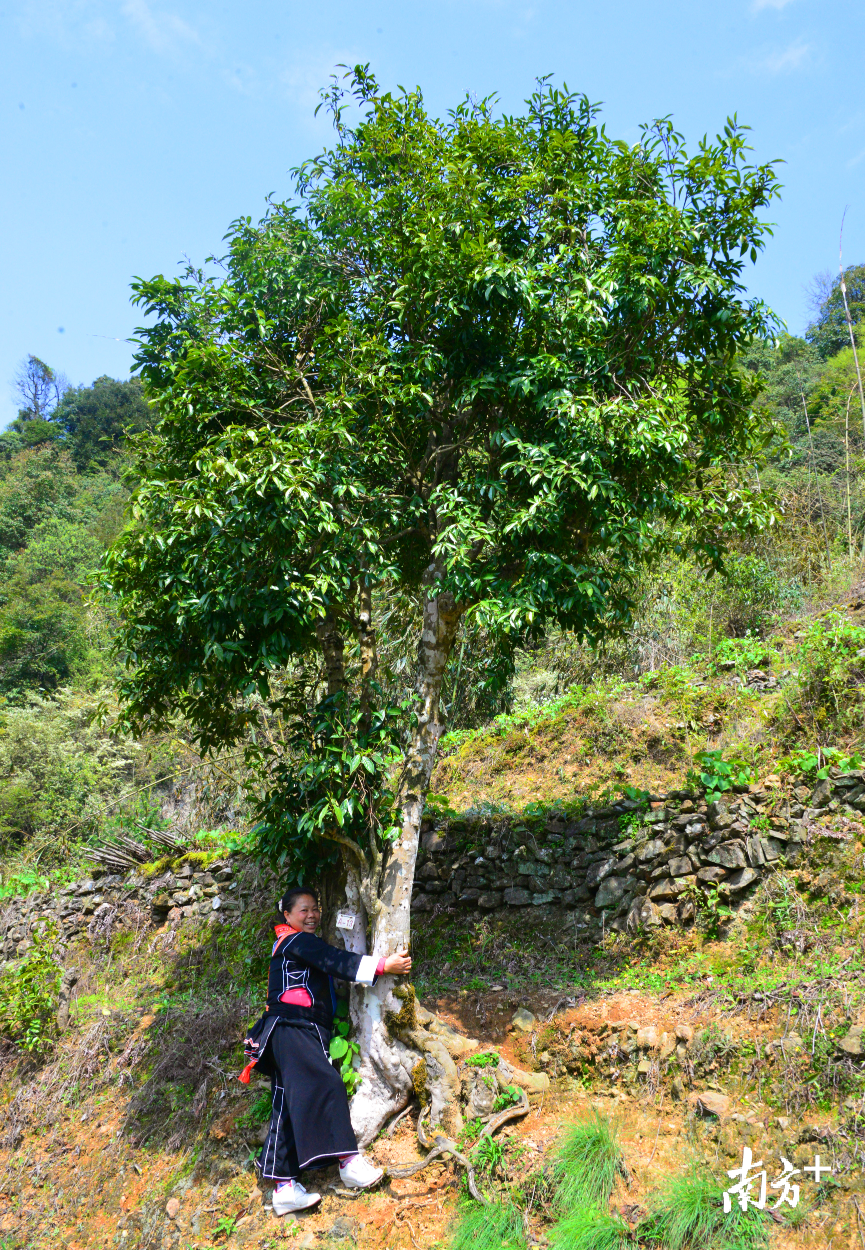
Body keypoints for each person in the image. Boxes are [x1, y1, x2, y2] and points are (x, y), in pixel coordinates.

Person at [239, 886, 412, 1216]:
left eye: (315, 908)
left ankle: (284, 1188)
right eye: (303, 910)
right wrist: (382, 965)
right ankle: (349, 1163)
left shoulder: (292, 944)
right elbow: (335, 961)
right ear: (287, 916)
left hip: (288, 1030)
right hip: (292, 1026)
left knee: (288, 1103)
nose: (312, 914)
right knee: (329, 1084)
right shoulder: (297, 941)